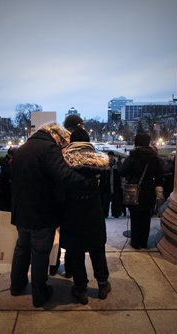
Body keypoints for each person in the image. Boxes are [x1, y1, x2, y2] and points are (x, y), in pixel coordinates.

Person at [10, 122, 94, 308]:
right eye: (63, 142)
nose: (62, 146)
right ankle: (40, 294)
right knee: (40, 253)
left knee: (22, 248)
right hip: (40, 211)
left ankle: (16, 286)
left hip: (21, 210)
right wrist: (88, 182)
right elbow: (64, 175)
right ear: (56, 135)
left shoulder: (24, 147)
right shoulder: (48, 148)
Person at [60, 127, 111, 305]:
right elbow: (105, 190)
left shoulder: (63, 160)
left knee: (75, 251)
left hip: (72, 211)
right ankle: (103, 284)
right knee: (97, 249)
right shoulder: (100, 160)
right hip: (93, 210)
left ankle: (81, 289)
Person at [48, 114, 85, 277]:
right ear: (78, 125)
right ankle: (70, 268)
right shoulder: (77, 145)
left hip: (57, 194)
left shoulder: (57, 143)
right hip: (72, 195)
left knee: (56, 232)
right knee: (72, 234)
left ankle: (53, 265)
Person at [120, 133, 164, 249]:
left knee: (135, 218)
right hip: (149, 191)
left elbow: (122, 171)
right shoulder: (154, 158)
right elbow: (161, 173)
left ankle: (136, 242)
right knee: (146, 218)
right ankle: (144, 242)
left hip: (135, 191)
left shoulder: (132, 157)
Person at [0, 146, 18, 212]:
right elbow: (9, 174)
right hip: (6, 187)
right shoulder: (6, 161)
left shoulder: (2, 159)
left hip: (3, 187)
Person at [100, 151, 123, 218]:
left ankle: (116, 213)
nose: (110, 158)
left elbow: (121, 175)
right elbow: (102, 177)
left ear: (114, 157)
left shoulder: (117, 166)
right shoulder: (105, 166)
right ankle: (105, 214)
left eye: (111, 156)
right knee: (105, 202)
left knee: (116, 201)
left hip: (116, 187)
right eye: (109, 156)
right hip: (106, 187)